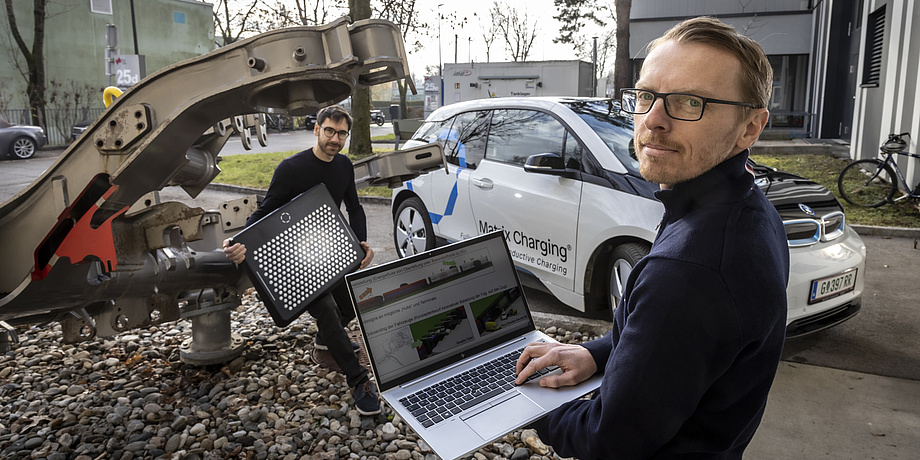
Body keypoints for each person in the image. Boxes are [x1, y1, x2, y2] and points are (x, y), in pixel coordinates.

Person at [514, 16, 789, 459]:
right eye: (646, 96)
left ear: (750, 128)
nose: (654, 120)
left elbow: (608, 440)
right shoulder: (748, 209)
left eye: (689, 101)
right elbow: (668, 348)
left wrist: (521, 404)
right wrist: (597, 355)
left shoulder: (689, 271)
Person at [223, 104, 380, 415]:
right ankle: (358, 380)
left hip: (331, 248)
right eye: (330, 131)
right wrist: (236, 242)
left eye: (342, 134)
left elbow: (355, 208)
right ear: (317, 130)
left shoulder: (344, 165)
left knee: (349, 301)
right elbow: (265, 211)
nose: (335, 139)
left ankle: (326, 339)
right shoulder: (291, 169)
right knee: (325, 308)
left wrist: (361, 243)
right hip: (295, 256)